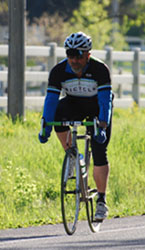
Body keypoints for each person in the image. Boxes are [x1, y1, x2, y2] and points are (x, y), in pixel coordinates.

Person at [39, 31, 113, 222]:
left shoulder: (100, 70)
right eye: (70, 54)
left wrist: (102, 126)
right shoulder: (58, 71)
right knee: (57, 112)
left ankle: (102, 201)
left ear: (88, 54)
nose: (74, 60)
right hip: (74, 105)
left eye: (78, 55)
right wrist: (45, 126)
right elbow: (51, 101)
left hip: (97, 107)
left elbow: (105, 102)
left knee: (99, 151)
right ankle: (72, 154)